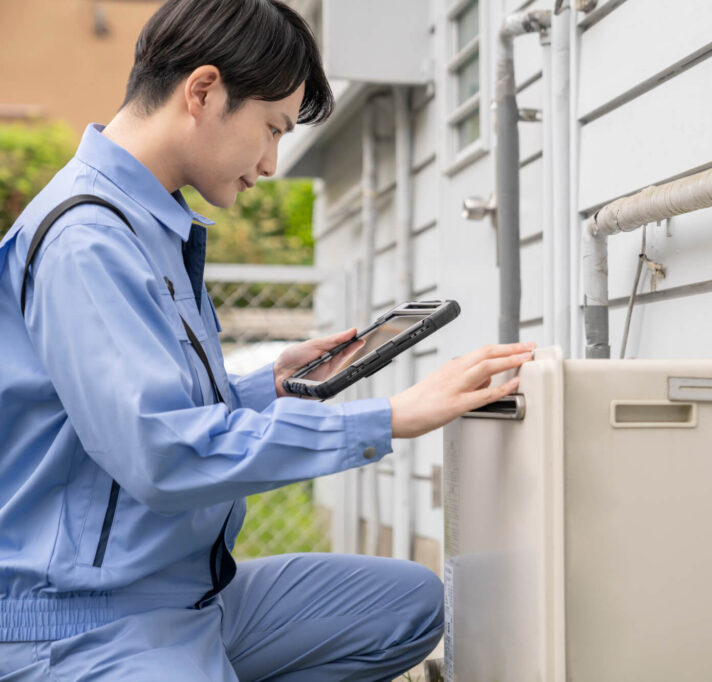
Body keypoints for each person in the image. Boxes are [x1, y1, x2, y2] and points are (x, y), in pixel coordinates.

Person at [0, 0, 533, 679]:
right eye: (272, 128)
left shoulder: (147, 225)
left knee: (409, 604)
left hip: (196, 594)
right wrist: (388, 419)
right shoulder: (88, 240)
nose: (273, 162)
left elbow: (143, 409)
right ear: (203, 91)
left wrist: (266, 385)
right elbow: (160, 454)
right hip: (87, 618)